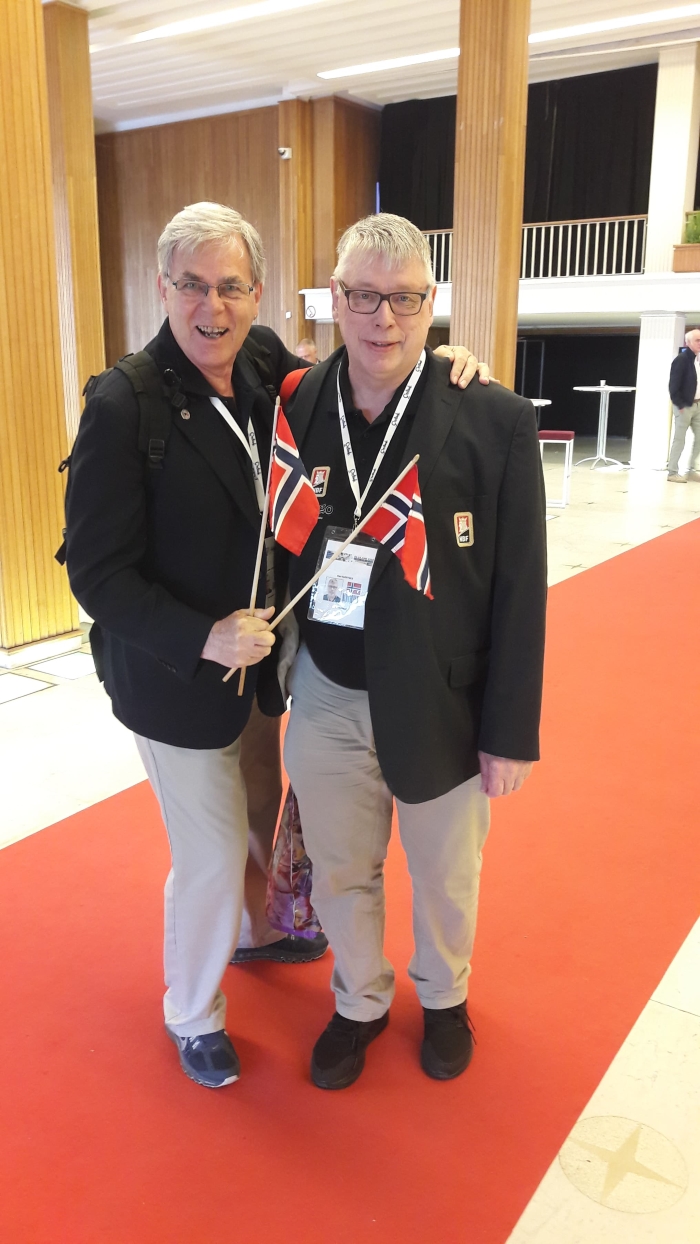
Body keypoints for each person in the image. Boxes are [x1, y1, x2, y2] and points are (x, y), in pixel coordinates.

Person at [63, 201, 489, 1090]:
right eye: (191, 285)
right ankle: (192, 1011)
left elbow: (355, 381)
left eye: (229, 286)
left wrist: (443, 364)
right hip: (175, 678)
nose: (210, 306)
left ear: (258, 293)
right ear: (162, 288)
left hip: (262, 666)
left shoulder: (260, 362)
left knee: (261, 813)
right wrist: (203, 635)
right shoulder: (124, 402)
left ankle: (259, 933)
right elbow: (97, 576)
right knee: (212, 852)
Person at [283, 213, 547, 1090]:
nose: (383, 319)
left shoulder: (493, 417)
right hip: (326, 689)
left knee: (445, 873)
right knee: (341, 869)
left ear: (432, 303)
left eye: (403, 299)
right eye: (364, 296)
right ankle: (359, 1000)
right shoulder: (296, 403)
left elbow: (520, 588)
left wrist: (509, 732)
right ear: (335, 299)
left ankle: (443, 997)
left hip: (443, 695)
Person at [668, 326, 700, 482]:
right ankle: (672, 472)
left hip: (697, 406)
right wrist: (679, 405)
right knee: (679, 439)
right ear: (688, 343)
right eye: (698, 340)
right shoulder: (681, 360)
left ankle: (691, 470)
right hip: (684, 406)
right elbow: (673, 386)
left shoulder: (697, 360)